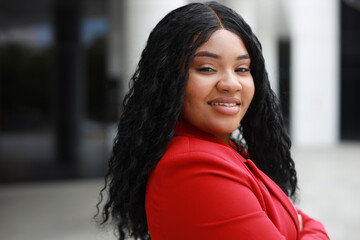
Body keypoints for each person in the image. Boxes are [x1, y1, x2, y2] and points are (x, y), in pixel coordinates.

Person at [96, 2, 329, 239]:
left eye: (241, 68)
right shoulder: (192, 167)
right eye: (207, 68)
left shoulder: (224, 149)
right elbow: (300, 219)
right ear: (170, 79)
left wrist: (304, 226)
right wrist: (314, 228)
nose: (230, 83)